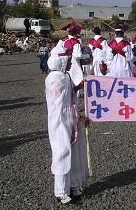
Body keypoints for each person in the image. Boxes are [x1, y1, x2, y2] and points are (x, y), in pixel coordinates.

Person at [45, 48, 88, 204]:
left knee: (75, 151)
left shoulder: (65, 76)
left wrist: (79, 86)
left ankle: (74, 184)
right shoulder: (54, 78)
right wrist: (76, 114)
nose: (70, 63)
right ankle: (61, 190)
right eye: (68, 60)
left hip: (71, 118)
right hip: (60, 120)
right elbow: (59, 104)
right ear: (61, 61)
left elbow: (69, 94)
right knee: (62, 151)